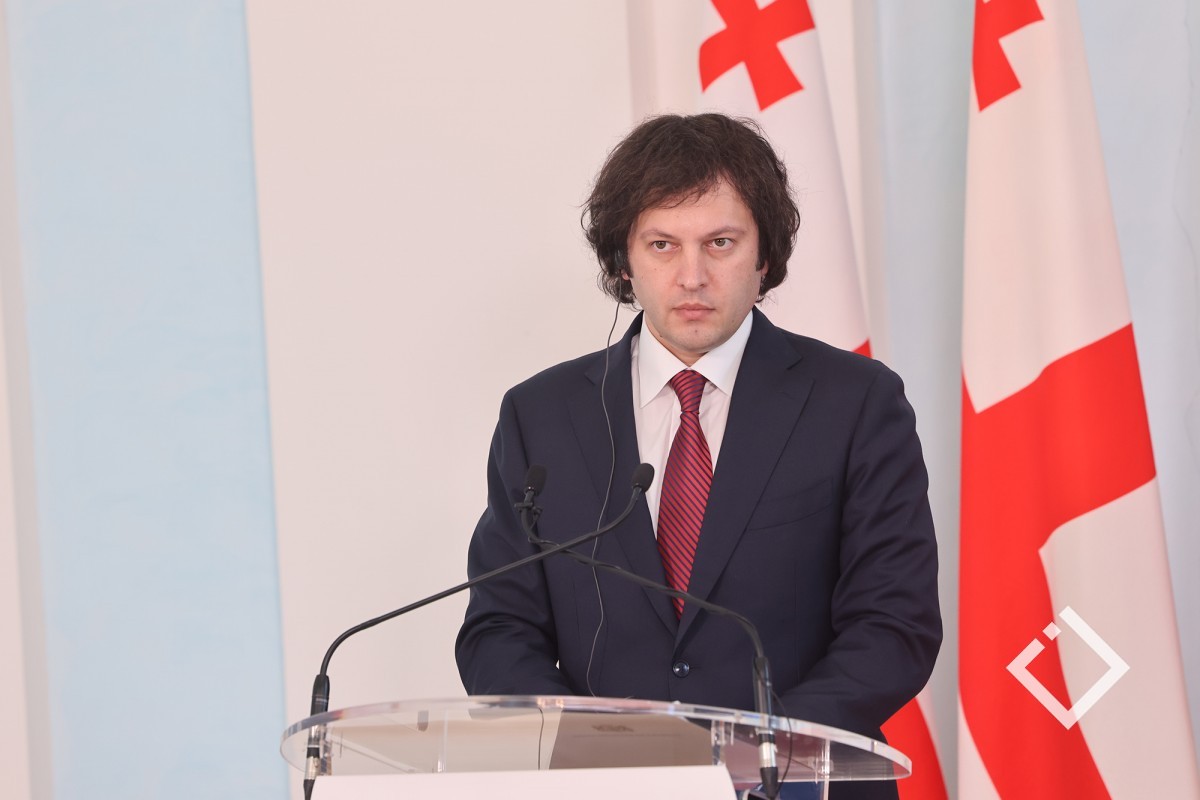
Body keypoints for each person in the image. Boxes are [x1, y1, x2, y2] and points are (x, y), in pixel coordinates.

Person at [455, 113, 941, 800]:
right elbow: (500, 628)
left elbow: (894, 625)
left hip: (797, 785)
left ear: (764, 256)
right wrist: (587, 754)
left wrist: (755, 755)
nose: (692, 275)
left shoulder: (856, 402)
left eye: (720, 243)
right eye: (662, 244)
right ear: (623, 260)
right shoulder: (541, 415)